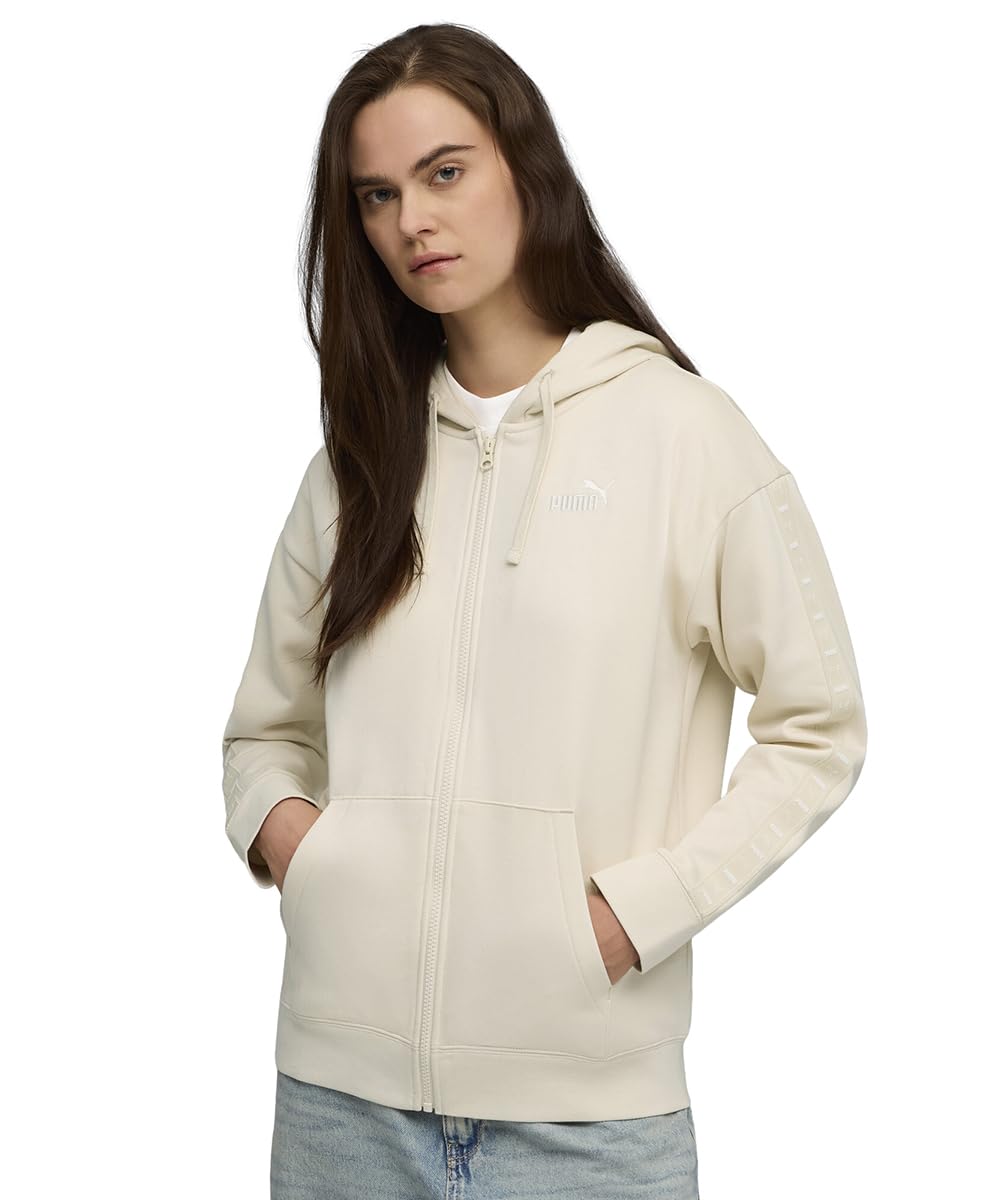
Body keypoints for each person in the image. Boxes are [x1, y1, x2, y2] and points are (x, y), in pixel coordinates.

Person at [220, 22, 867, 1200]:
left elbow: (819, 726)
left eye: (444, 172)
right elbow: (264, 732)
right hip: (339, 1113)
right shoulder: (356, 467)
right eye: (376, 195)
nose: (412, 221)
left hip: (588, 1131)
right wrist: (308, 857)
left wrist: (635, 914)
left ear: (527, 168)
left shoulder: (683, 435)